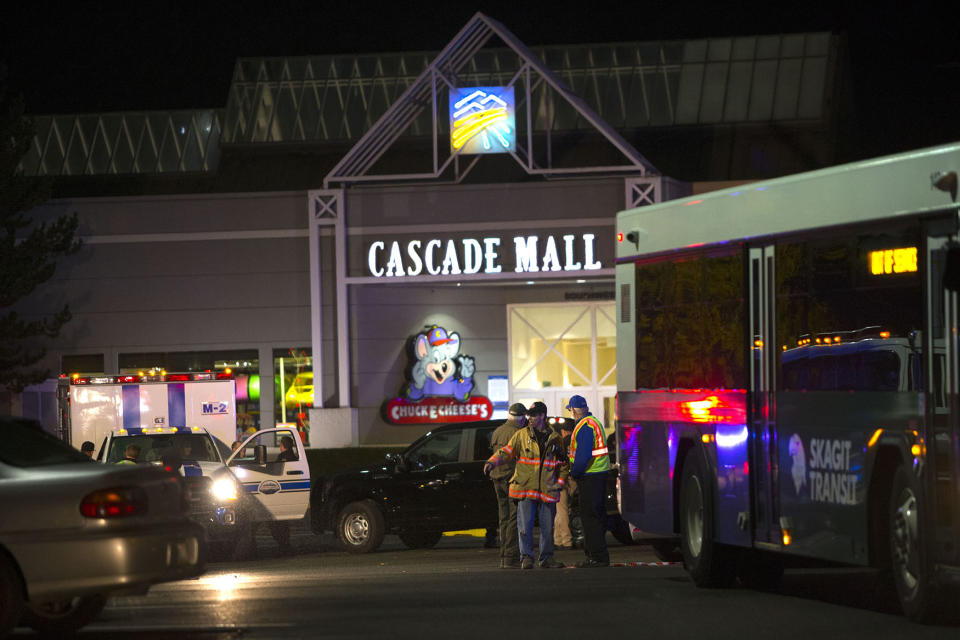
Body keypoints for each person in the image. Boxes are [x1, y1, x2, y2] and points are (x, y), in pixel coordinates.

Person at [484, 401, 569, 570]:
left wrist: (559, 484)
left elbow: (563, 464)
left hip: (546, 489)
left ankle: (546, 558)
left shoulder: (555, 438)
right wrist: (492, 462)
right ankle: (527, 558)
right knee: (524, 527)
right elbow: (506, 452)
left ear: (542, 416)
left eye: (533, 415)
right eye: (529, 415)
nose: (529, 418)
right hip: (525, 487)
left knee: (547, 528)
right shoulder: (521, 435)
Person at [567, 395, 611, 568]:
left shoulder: (584, 426)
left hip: (590, 476)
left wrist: (574, 473)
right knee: (597, 517)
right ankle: (599, 555)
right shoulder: (594, 422)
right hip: (598, 475)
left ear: (573, 409)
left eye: (570, 409)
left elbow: (583, 456)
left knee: (590, 518)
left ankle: (596, 557)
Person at [487, 403, 527, 568]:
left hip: (497, 478)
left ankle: (504, 555)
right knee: (513, 519)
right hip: (511, 480)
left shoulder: (498, 431)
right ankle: (511, 556)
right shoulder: (516, 432)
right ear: (521, 417)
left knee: (503, 518)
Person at [553, 421, 577, 550]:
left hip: (563, 478)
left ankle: (563, 540)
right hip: (574, 477)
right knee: (562, 510)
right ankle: (561, 540)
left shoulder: (560, 442)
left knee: (560, 510)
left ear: (563, 431)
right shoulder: (575, 441)